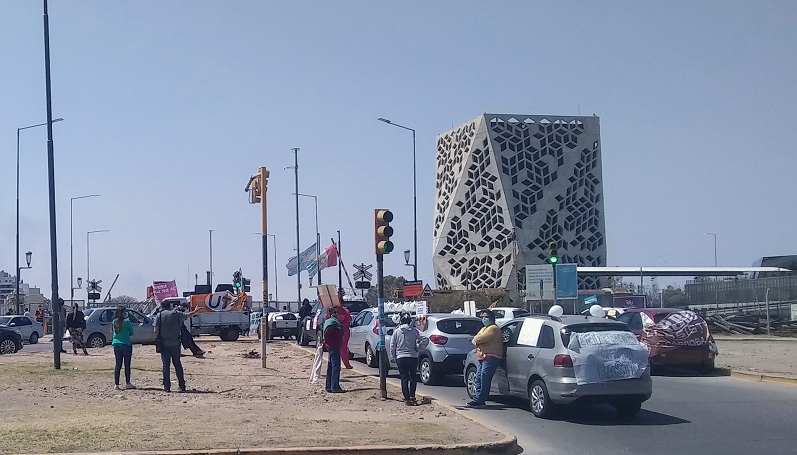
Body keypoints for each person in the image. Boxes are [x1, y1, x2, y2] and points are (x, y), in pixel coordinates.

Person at [154, 300, 198, 392]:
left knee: (166, 365)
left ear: (162, 306)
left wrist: (157, 339)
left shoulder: (159, 315)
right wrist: (195, 311)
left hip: (164, 344)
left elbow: (156, 330)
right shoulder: (177, 314)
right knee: (177, 364)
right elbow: (187, 315)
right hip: (176, 343)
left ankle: (167, 386)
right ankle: (182, 385)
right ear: (170, 305)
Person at [468, 309, 503, 408]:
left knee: (484, 377)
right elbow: (476, 338)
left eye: (486, 317)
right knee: (478, 377)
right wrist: (476, 340)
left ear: (491, 318)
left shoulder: (493, 328)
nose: (484, 319)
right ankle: (477, 398)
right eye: (482, 317)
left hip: (491, 356)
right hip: (482, 357)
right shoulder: (484, 328)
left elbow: (480, 338)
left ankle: (480, 399)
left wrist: (476, 340)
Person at [390, 310, 421, 405]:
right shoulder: (415, 331)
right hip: (412, 357)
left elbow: (392, 346)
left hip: (401, 358)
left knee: (404, 378)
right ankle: (412, 396)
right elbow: (420, 342)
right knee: (413, 377)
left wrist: (394, 356)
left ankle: (407, 398)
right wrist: (417, 350)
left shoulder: (396, 332)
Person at [111, 306, 135, 390]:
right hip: (126, 343)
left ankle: (116, 384)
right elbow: (131, 333)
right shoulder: (127, 321)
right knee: (127, 364)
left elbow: (113, 332)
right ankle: (128, 382)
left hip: (116, 344)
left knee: (118, 364)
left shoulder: (114, 321)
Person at [322, 306, 344, 393]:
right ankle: (334, 386)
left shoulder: (334, 322)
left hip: (334, 346)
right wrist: (326, 343)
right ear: (331, 314)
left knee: (331, 366)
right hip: (333, 346)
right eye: (335, 312)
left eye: (337, 312)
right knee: (335, 367)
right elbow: (327, 335)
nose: (337, 314)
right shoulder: (331, 323)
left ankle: (329, 386)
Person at [336, 303, 353, 369]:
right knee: (343, 349)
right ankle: (346, 363)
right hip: (344, 332)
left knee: (333, 349)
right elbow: (349, 319)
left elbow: (326, 318)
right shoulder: (346, 311)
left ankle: (334, 364)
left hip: (336, 332)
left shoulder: (331, 311)